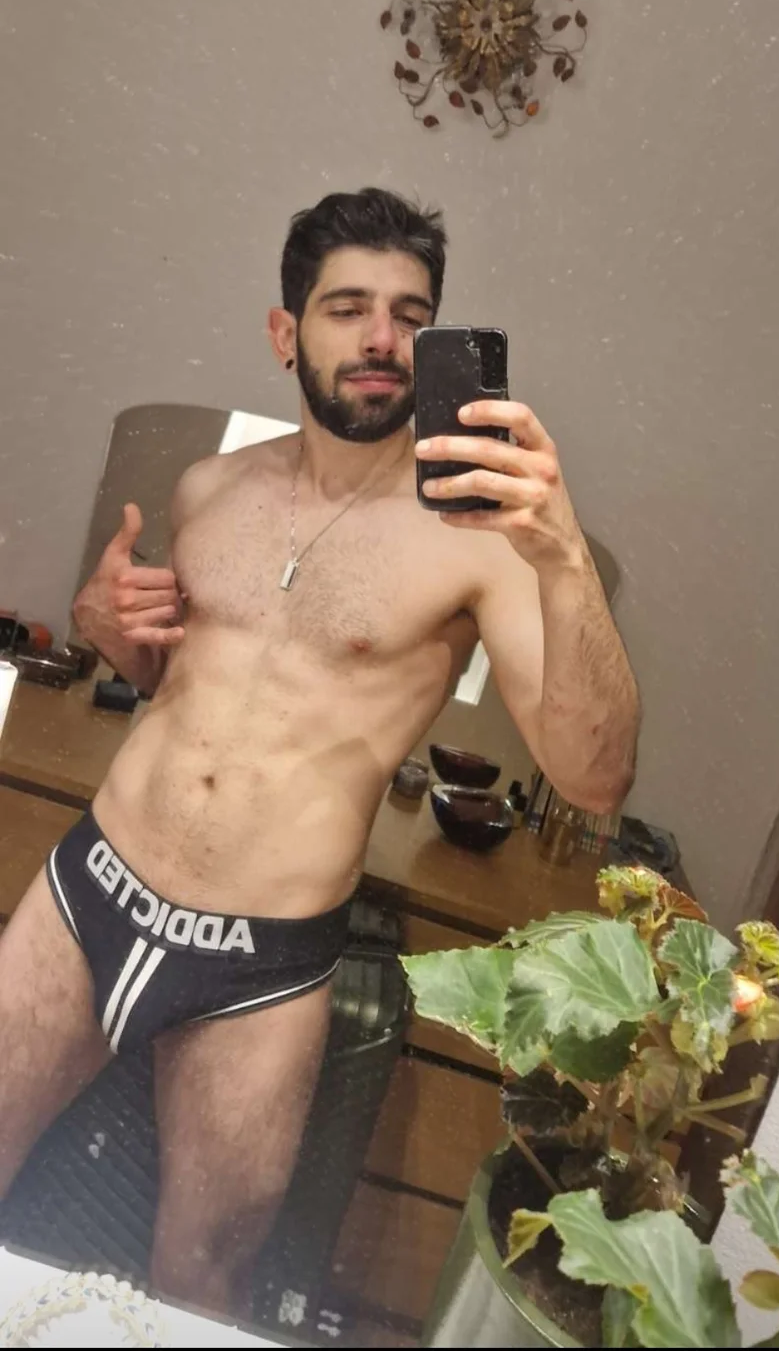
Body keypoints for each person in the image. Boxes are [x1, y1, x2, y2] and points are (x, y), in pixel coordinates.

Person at [0, 188, 639, 1314]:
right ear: (286, 333)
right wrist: (106, 626)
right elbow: (183, 690)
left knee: (202, 1277)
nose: (382, 337)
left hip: (261, 965)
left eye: (410, 315)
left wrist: (563, 557)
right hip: (90, 892)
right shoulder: (209, 488)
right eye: (348, 308)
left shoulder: (480, 542)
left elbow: (595, 777)